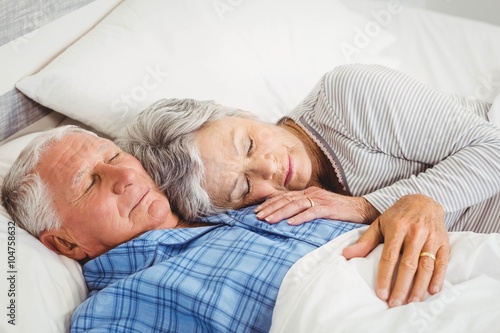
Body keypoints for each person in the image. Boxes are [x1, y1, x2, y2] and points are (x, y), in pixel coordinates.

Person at [117, 64, 500, 308]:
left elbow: (494, 149)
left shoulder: (347, 96)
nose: (268, 166)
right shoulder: (277, 218)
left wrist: (369, 206)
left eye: (248, 143)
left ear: (243, 114)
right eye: (244, 186)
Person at [0, 125, 374, 332]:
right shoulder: (115, 314)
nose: (125, 176)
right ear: (65, 243)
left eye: (114, 156)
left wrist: (405, 207)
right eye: (89, 183)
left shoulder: (232, 197)